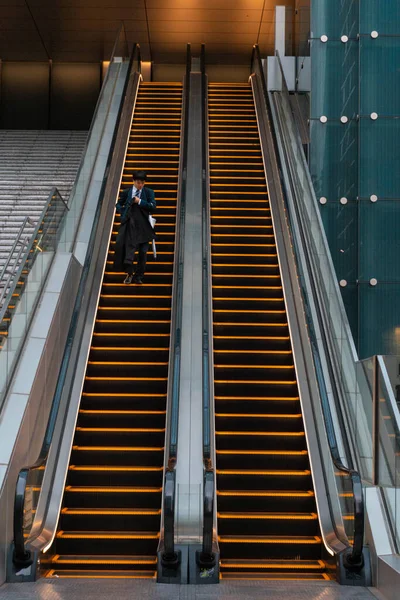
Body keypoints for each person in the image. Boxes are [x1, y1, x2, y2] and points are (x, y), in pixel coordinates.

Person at [113, 170, 156, 284]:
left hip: (143, 227)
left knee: (143, 252)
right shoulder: (127, 192)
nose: (140, 185)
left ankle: (139, 276)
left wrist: (140, 201)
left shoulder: (148, 192)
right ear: (133, 181)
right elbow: (118, 204)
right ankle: (129, 273)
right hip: (129, 225)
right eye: (138, 182)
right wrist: (123, 212)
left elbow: (153, 206)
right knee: (129, 250)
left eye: (142, 183)